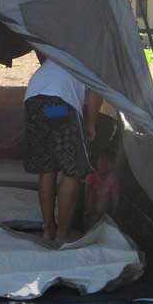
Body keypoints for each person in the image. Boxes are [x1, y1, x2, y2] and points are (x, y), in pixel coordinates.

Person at [24, 51, 102, 245]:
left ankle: (48, 230)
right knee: (72, 170)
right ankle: (63, 234)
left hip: (34, 104)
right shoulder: (92, 59)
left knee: (47, 168)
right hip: (59, 106)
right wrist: (90, 125)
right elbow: (96, 93)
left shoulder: (59, 53)